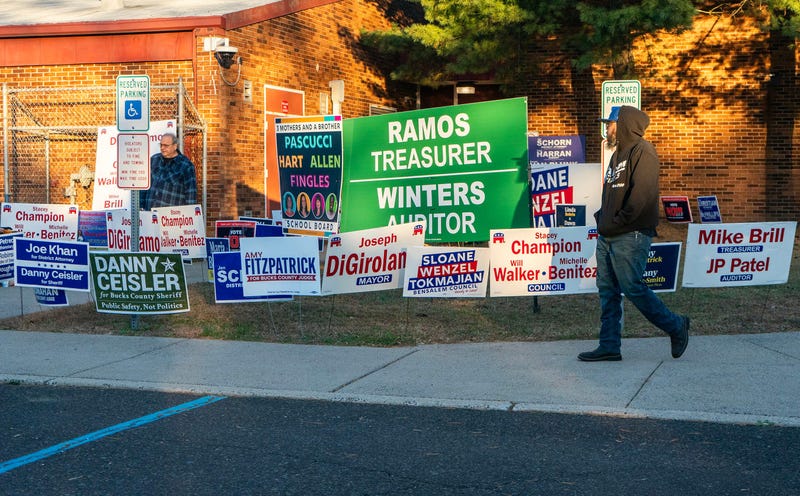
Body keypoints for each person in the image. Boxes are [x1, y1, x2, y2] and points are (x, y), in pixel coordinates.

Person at [578, 105, 689, 362]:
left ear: (625, 123)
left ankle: (676, 325)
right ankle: (609, 345)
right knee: (607, 290)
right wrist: (602, 219)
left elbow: (641, 198)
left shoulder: (644, 151)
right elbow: (611, 195)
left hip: (631, 234)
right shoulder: (617, 155)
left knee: (632, 287)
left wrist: (614, 223)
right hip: (609, 234)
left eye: (610, 123)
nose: (606, 128)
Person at [140, 133, 197, 210]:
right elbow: (144, 186)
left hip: (171, 217)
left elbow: (191, 193)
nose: (162, 148)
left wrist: (190, 214)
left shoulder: (185, 165)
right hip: (150, 213)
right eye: (161, 145)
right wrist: (140, 207)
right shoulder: (153, 160)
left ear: (175, 146)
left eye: (166, 145)